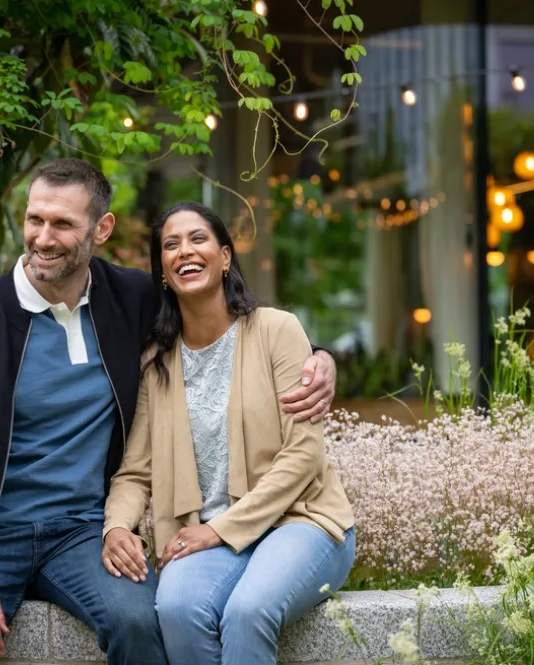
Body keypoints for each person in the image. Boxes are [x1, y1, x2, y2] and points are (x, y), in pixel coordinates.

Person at [0, 158, 338, 665]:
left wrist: (319, 357)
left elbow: (225, 318)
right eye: (35, 219)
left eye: (63, 223)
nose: (43, 237)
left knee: (141, 624)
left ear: (101, 229)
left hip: (82, 534)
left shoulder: (131, 299)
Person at [102, 201, 356, 665]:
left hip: (299, 521)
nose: (184, 251)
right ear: (163, 271)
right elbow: (135, 471)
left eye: (198, 239)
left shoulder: (278, 331)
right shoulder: (156, 362)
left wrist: (218, 530)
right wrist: (117, 526)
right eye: (171, 245)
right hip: (203, 533)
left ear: (224, 258)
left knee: (247, 611)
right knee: (176, 609)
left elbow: (303, 456)